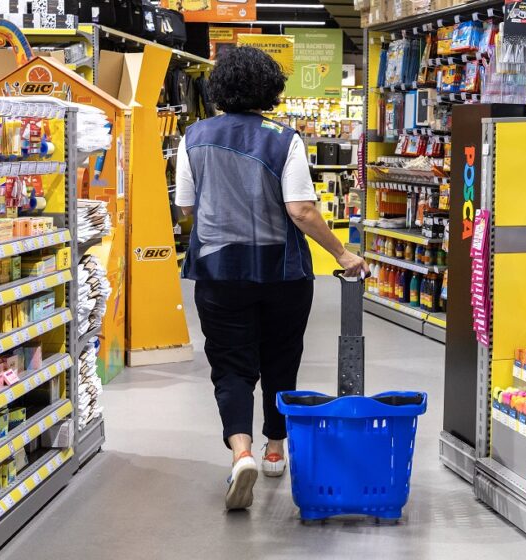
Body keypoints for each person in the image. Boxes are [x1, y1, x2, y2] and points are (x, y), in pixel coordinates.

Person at [173, 46, 367, 511]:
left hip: (219, 274)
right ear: (270, 88)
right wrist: (343, 252)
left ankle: (241, 454)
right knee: (282, 357)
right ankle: (275, 448)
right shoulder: (284, 139)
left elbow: (185, 209)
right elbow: (300, 210)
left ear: (219, 88)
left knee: (231, 366)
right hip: (282, 274)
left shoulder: (194, 137)